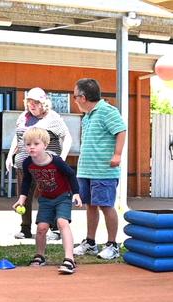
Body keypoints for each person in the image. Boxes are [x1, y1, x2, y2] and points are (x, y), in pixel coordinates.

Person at [12, 127, 82, 274]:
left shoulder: (56, 161)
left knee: (62, 222)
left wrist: (76, 193)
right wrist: (22, 198)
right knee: (41, 228)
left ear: (45, 144)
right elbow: (27, 181)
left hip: (63, 196)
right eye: (28, 144)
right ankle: (40, 256)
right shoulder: (27, 163)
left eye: (36, 144)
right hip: (45, 198)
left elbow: (70, 175)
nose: (31, 147)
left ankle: (69, 259)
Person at [5, 87, 72, 240]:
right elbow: (19, 137)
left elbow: (67, 138)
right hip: (25, 164)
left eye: (35, 102)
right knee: (24, 196)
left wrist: (61, 158)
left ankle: (55, 229)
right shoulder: (23, 116)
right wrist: (10, 155)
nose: (32, 105)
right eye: (29, 101)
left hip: (47, 166)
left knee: (51, 195)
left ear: (44, 104)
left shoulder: (52, 118)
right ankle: (25, 228)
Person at [71, 78, 127, 260]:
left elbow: (120, 130)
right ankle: (90, 242)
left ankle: (112, 245)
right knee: (90, 206)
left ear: (83, 97)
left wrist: (117, 155)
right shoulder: (87, 116)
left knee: (106, 206)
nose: (75, 100)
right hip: (86, 170)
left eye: (75, 96)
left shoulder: (106, 111)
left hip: (103, 171)